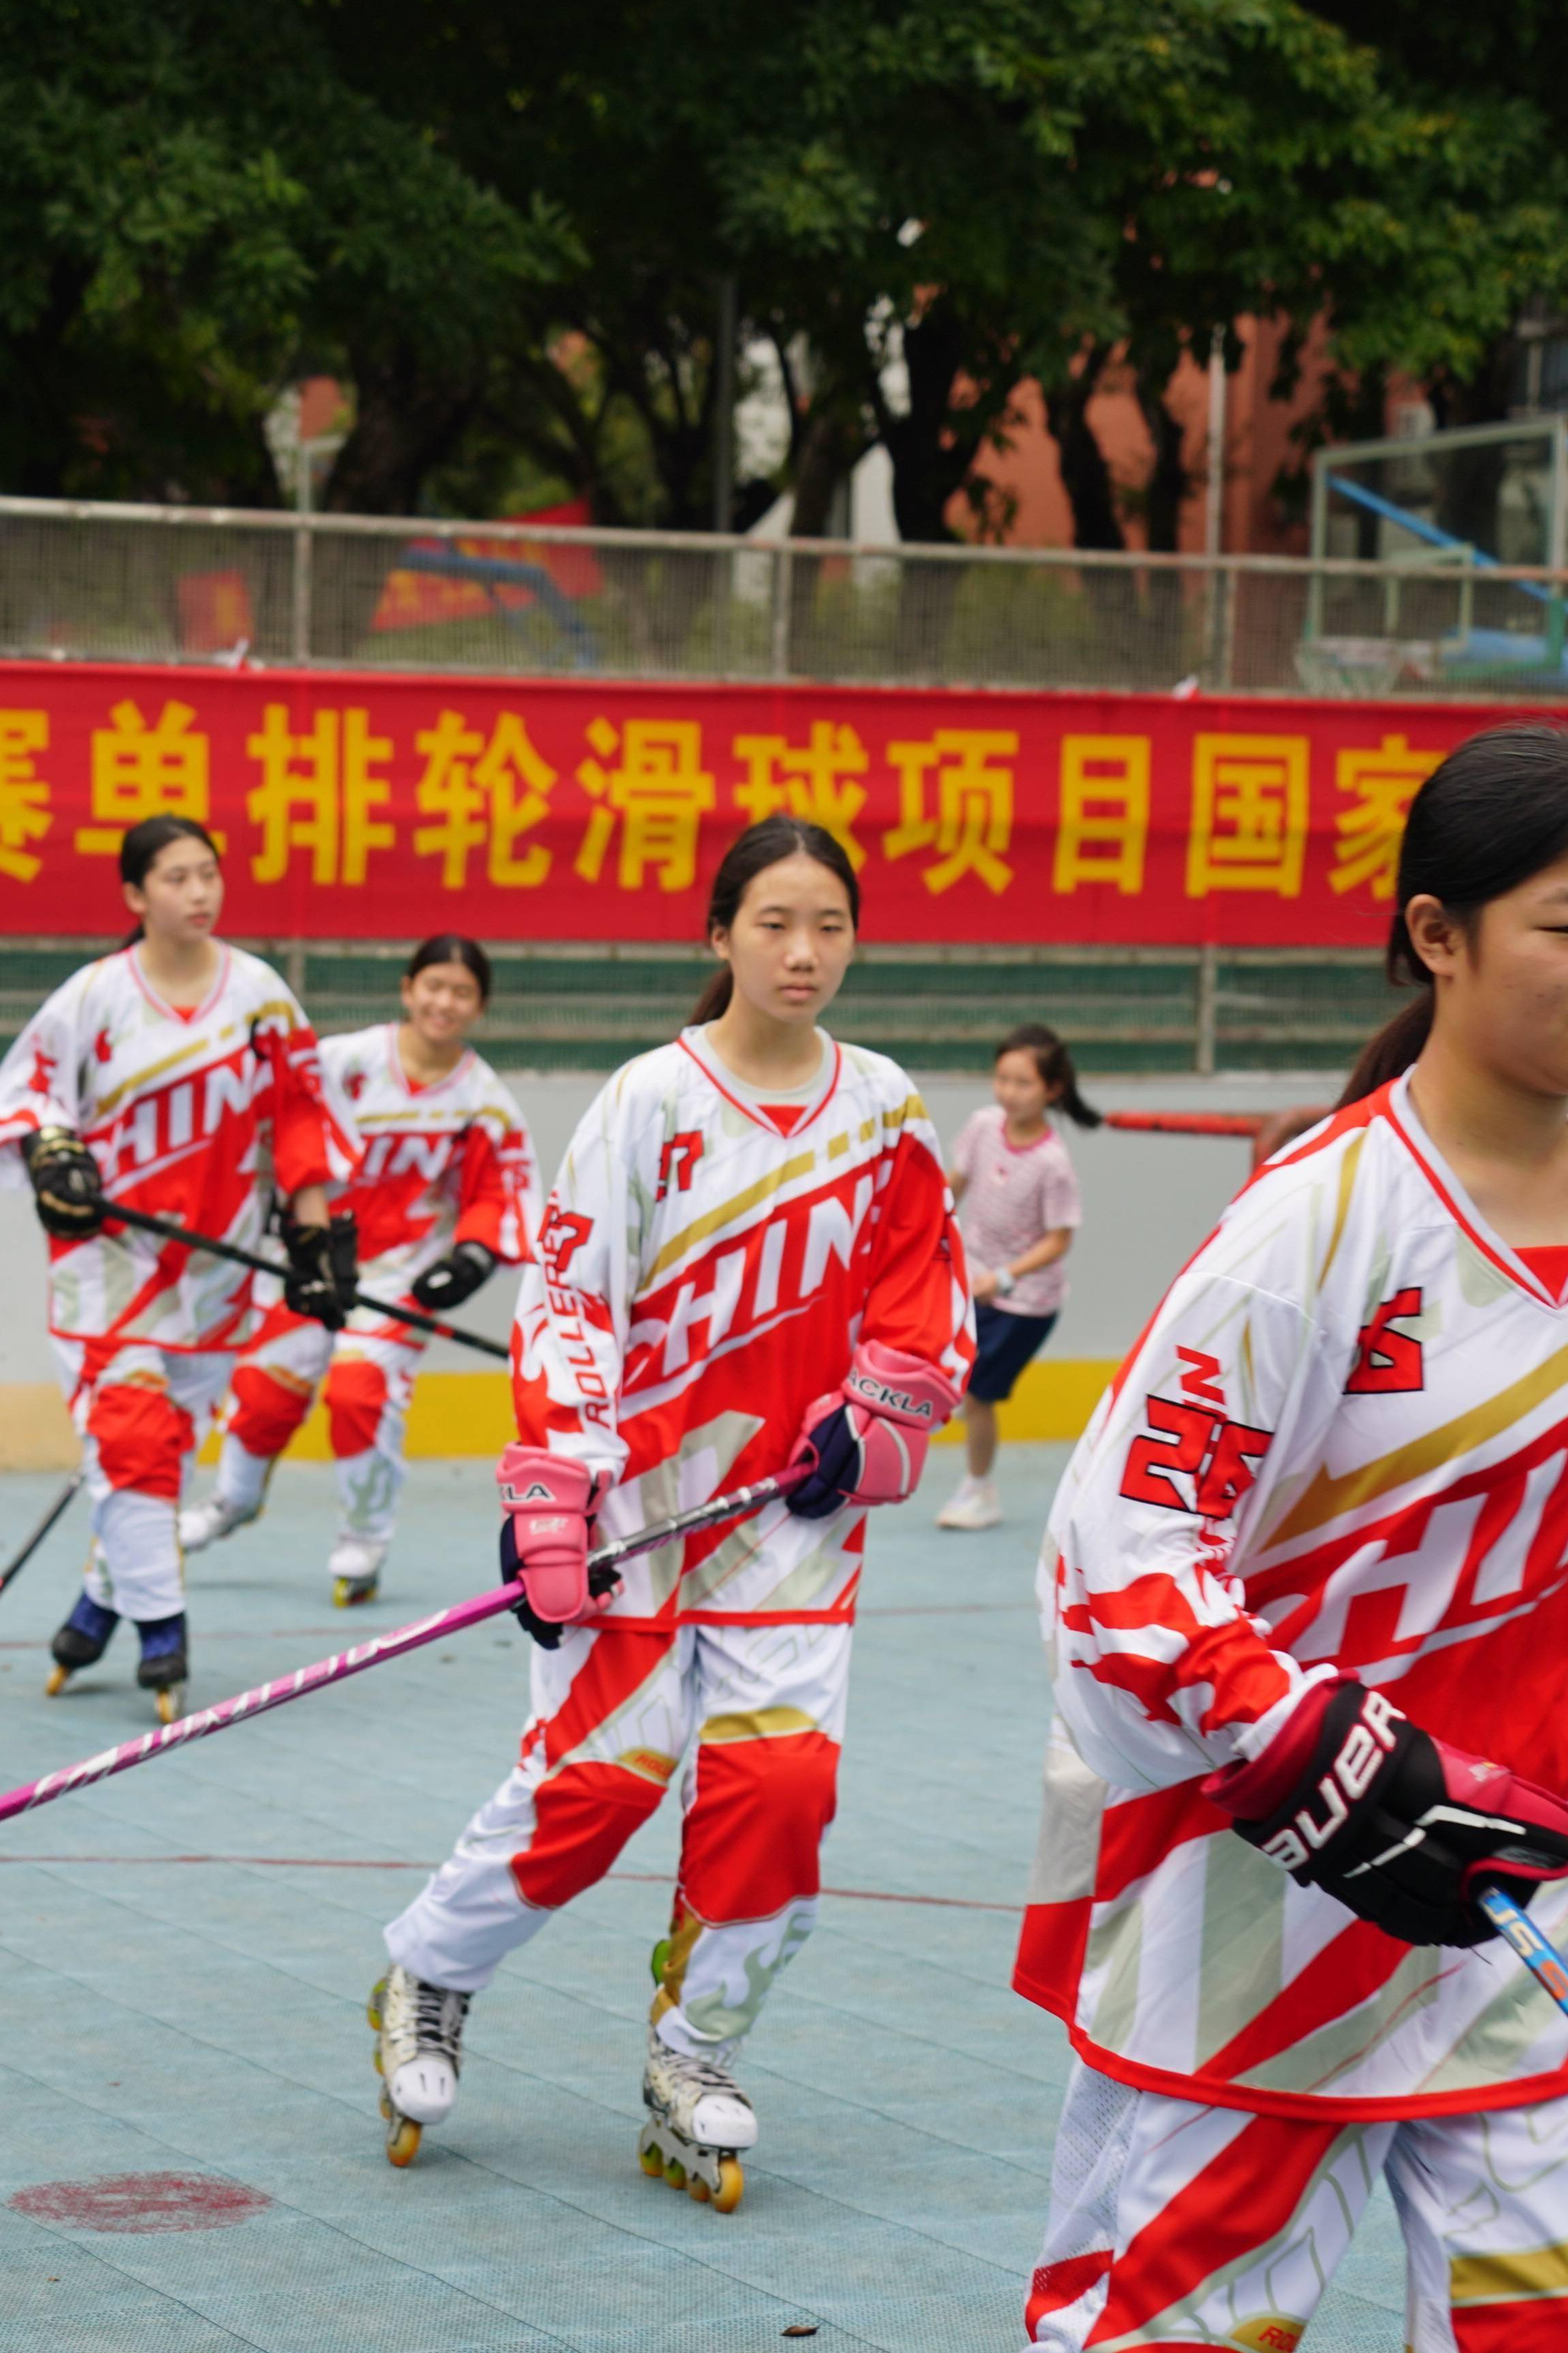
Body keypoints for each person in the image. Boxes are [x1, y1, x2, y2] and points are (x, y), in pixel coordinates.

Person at [922, 721, 1568, 2353]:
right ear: (1436, 939)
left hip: (1526, 1917)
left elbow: (1559, 1573)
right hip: (1272, 1920)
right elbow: (1119, 1555)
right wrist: (1303, 1738)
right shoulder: (1319, 1224)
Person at [368, 814, 970, 2208]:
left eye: (829, 923)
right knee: (597, 1784)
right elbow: (573, 1300)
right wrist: (558, 1491)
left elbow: (920, 1288)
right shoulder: (649, 1098)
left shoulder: (884, 1106)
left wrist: (878, 1414)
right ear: (720, 937)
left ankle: (694, 2052)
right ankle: (430, 1973)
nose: (804, 950)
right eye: (773, 922)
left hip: (790, 1520)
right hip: (636, 1510)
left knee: (782, 1787)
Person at [0, 814, 350, 1720]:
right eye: (177, 878)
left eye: (209, 875)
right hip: (106, 1260)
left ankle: (97, 1604)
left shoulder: (260, 994)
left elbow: (300, 1113)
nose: (199, 893)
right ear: (134, 896)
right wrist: (52, 1153)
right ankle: (163, 1630)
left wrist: (312, 1241)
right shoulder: (94, 996)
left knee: (156, 1451)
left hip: (216, 1267)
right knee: (137, 1436)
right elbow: (27, 1096)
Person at [180, 933, 535, 1605]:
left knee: (358, 1394)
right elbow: (282, 1120)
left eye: (462, 992)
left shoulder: (485, 1102)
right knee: (262, 1390)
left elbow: (498, 1193)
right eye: (433, 985)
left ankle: (364, 1543)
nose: (444, 1002)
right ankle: (233, 1500)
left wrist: (472, 1256)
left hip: (399, 1281)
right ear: (407, 988)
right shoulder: (344, 1063)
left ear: (480, 1006)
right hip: (315, 1265)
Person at [933, 1022, 1091, 1532]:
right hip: (972, 1283)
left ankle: (980, 1491)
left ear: (1052, 1090)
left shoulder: (1052, 1164)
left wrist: (1003, 1277)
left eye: (1023, 1083)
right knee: (956, 1385)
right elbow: (957, 1181)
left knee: (978, 1396)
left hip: (1024, 1304)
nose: (1008, 1092)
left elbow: (1058, 1240)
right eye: (1002, 1079)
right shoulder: (982, 1125)